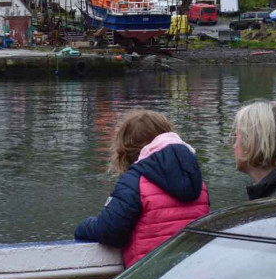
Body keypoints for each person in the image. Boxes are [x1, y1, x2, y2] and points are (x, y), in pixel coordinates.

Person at [75, 109, 209, 267]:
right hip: (193, 271)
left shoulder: (134, 182)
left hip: (150, 277)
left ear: (126, 153)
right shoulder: (198, 182)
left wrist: (84, 226)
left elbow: (110, 232)